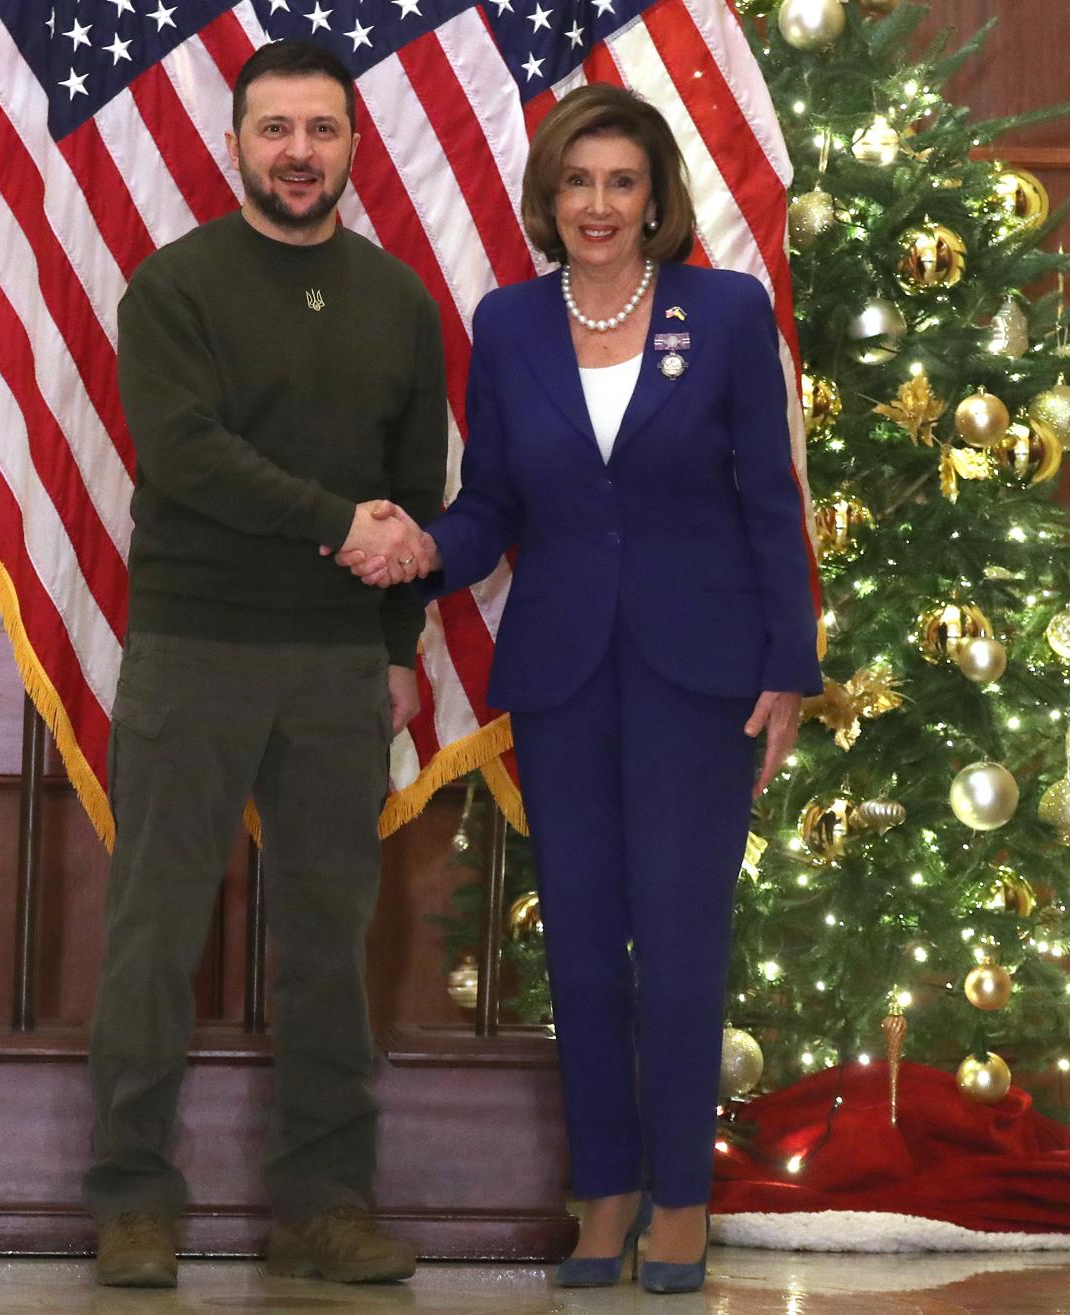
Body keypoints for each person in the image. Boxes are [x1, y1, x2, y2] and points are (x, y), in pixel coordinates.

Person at [338, 85, 821, 1294]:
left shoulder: (724, 310)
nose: (599, 206)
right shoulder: (507, 324)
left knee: (680, 934)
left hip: (701, 674)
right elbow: (496, 500)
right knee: (587, 953)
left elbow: (770, 497)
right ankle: (604, 1195)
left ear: (655, 196)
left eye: (620, 183)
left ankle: (683, 1202)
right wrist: (423, 545)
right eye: (577, 184)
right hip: (560, 671)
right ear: (547, 201)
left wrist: (790, 667)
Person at [83, 39, 445, 1289]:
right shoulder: (173, 287)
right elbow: (185, 455)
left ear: (354, 145)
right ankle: (133, 1198)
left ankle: (324, 1202)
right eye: (275, 129)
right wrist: (340, 523)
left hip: (341, 666)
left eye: (322, 131)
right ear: (235, 143)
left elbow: (419, 487)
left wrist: (397, 650)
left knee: (330, 940)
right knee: (154, 929)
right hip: (195, 649)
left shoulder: (399, 300)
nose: (299, 152)